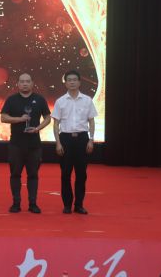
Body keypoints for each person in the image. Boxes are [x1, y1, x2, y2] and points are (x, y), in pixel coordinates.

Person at [1, 73, 51, 214]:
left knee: (33, 175)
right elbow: (3, 118)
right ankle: (16, 203)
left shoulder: (39, 99)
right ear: (18, 84)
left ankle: (33, 203)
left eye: (27, 81)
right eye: (22, 81)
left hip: (34, 144)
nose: (24, 84)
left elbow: (48, 118)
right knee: (15, 174)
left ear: (32, 83)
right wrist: (20, 119)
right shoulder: (11, 99)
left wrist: (37, 128)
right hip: (16, 144)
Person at [52, 70, 97, 215]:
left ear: (79, 82)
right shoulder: (60, 101)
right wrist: (58, 143)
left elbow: (91, 121)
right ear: (65, 83)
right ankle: (67, 205)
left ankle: (79, 205)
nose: (72, 82)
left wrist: (91, 139)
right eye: (69, 80)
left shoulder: (87, 100)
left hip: (82, 139)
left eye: (74, 80)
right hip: (65, 139)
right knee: (65, 174)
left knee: (81, 174)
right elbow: (56, 124)